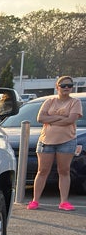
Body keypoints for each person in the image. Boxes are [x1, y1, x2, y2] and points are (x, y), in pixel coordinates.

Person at [26, 75, 83, 211]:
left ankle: (64, 202)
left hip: (67, 141)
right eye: (63, 86)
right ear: (57, 87)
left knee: (64, 171)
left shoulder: (75, 102)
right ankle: (35, 201)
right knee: (42, 171)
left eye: (69, 85)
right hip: (46, 141)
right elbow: (40, 118)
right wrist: (61, 117)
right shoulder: (49, 101)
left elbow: (70, 120)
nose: (67, 88)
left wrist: (51, 119)